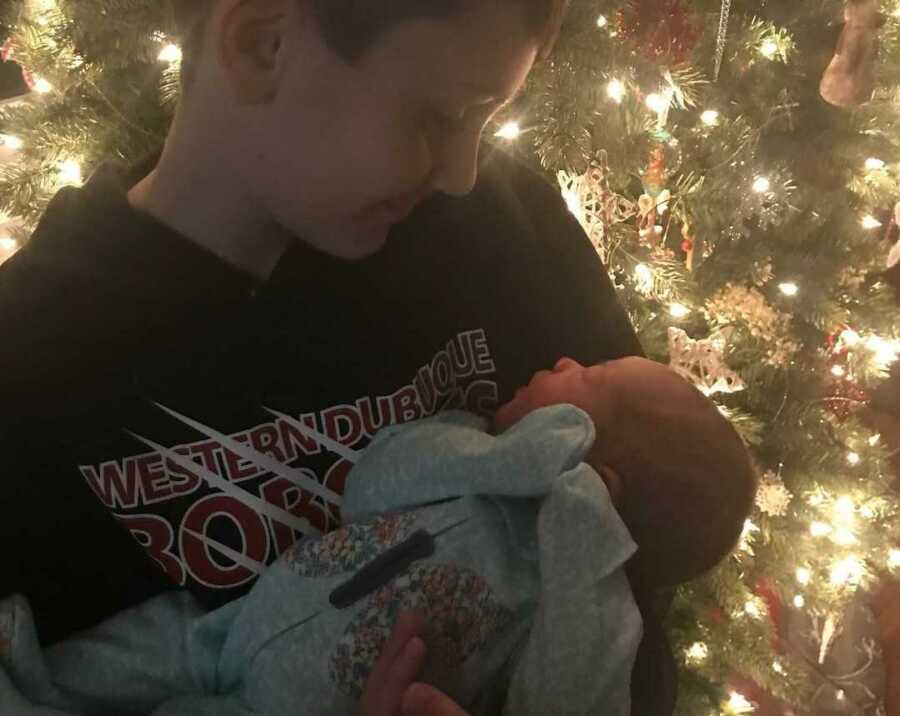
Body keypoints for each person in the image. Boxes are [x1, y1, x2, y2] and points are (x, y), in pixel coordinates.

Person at [0, 0, 749, 712]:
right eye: (439, 116)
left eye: (487, 120)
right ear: (264, 43)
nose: (462, 172)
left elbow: (630, 600)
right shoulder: (36, 361)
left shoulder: (510, 234)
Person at [0, 357, 755, 716]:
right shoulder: (470, 451)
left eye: (586, 380)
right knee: (126, 652)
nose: (562, 359)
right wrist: (511, 459)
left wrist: (579, 538)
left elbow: (567, 705)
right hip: (232, 623)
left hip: (299, 712)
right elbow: (371, 484)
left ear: (600, 474)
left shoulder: (592, 606)